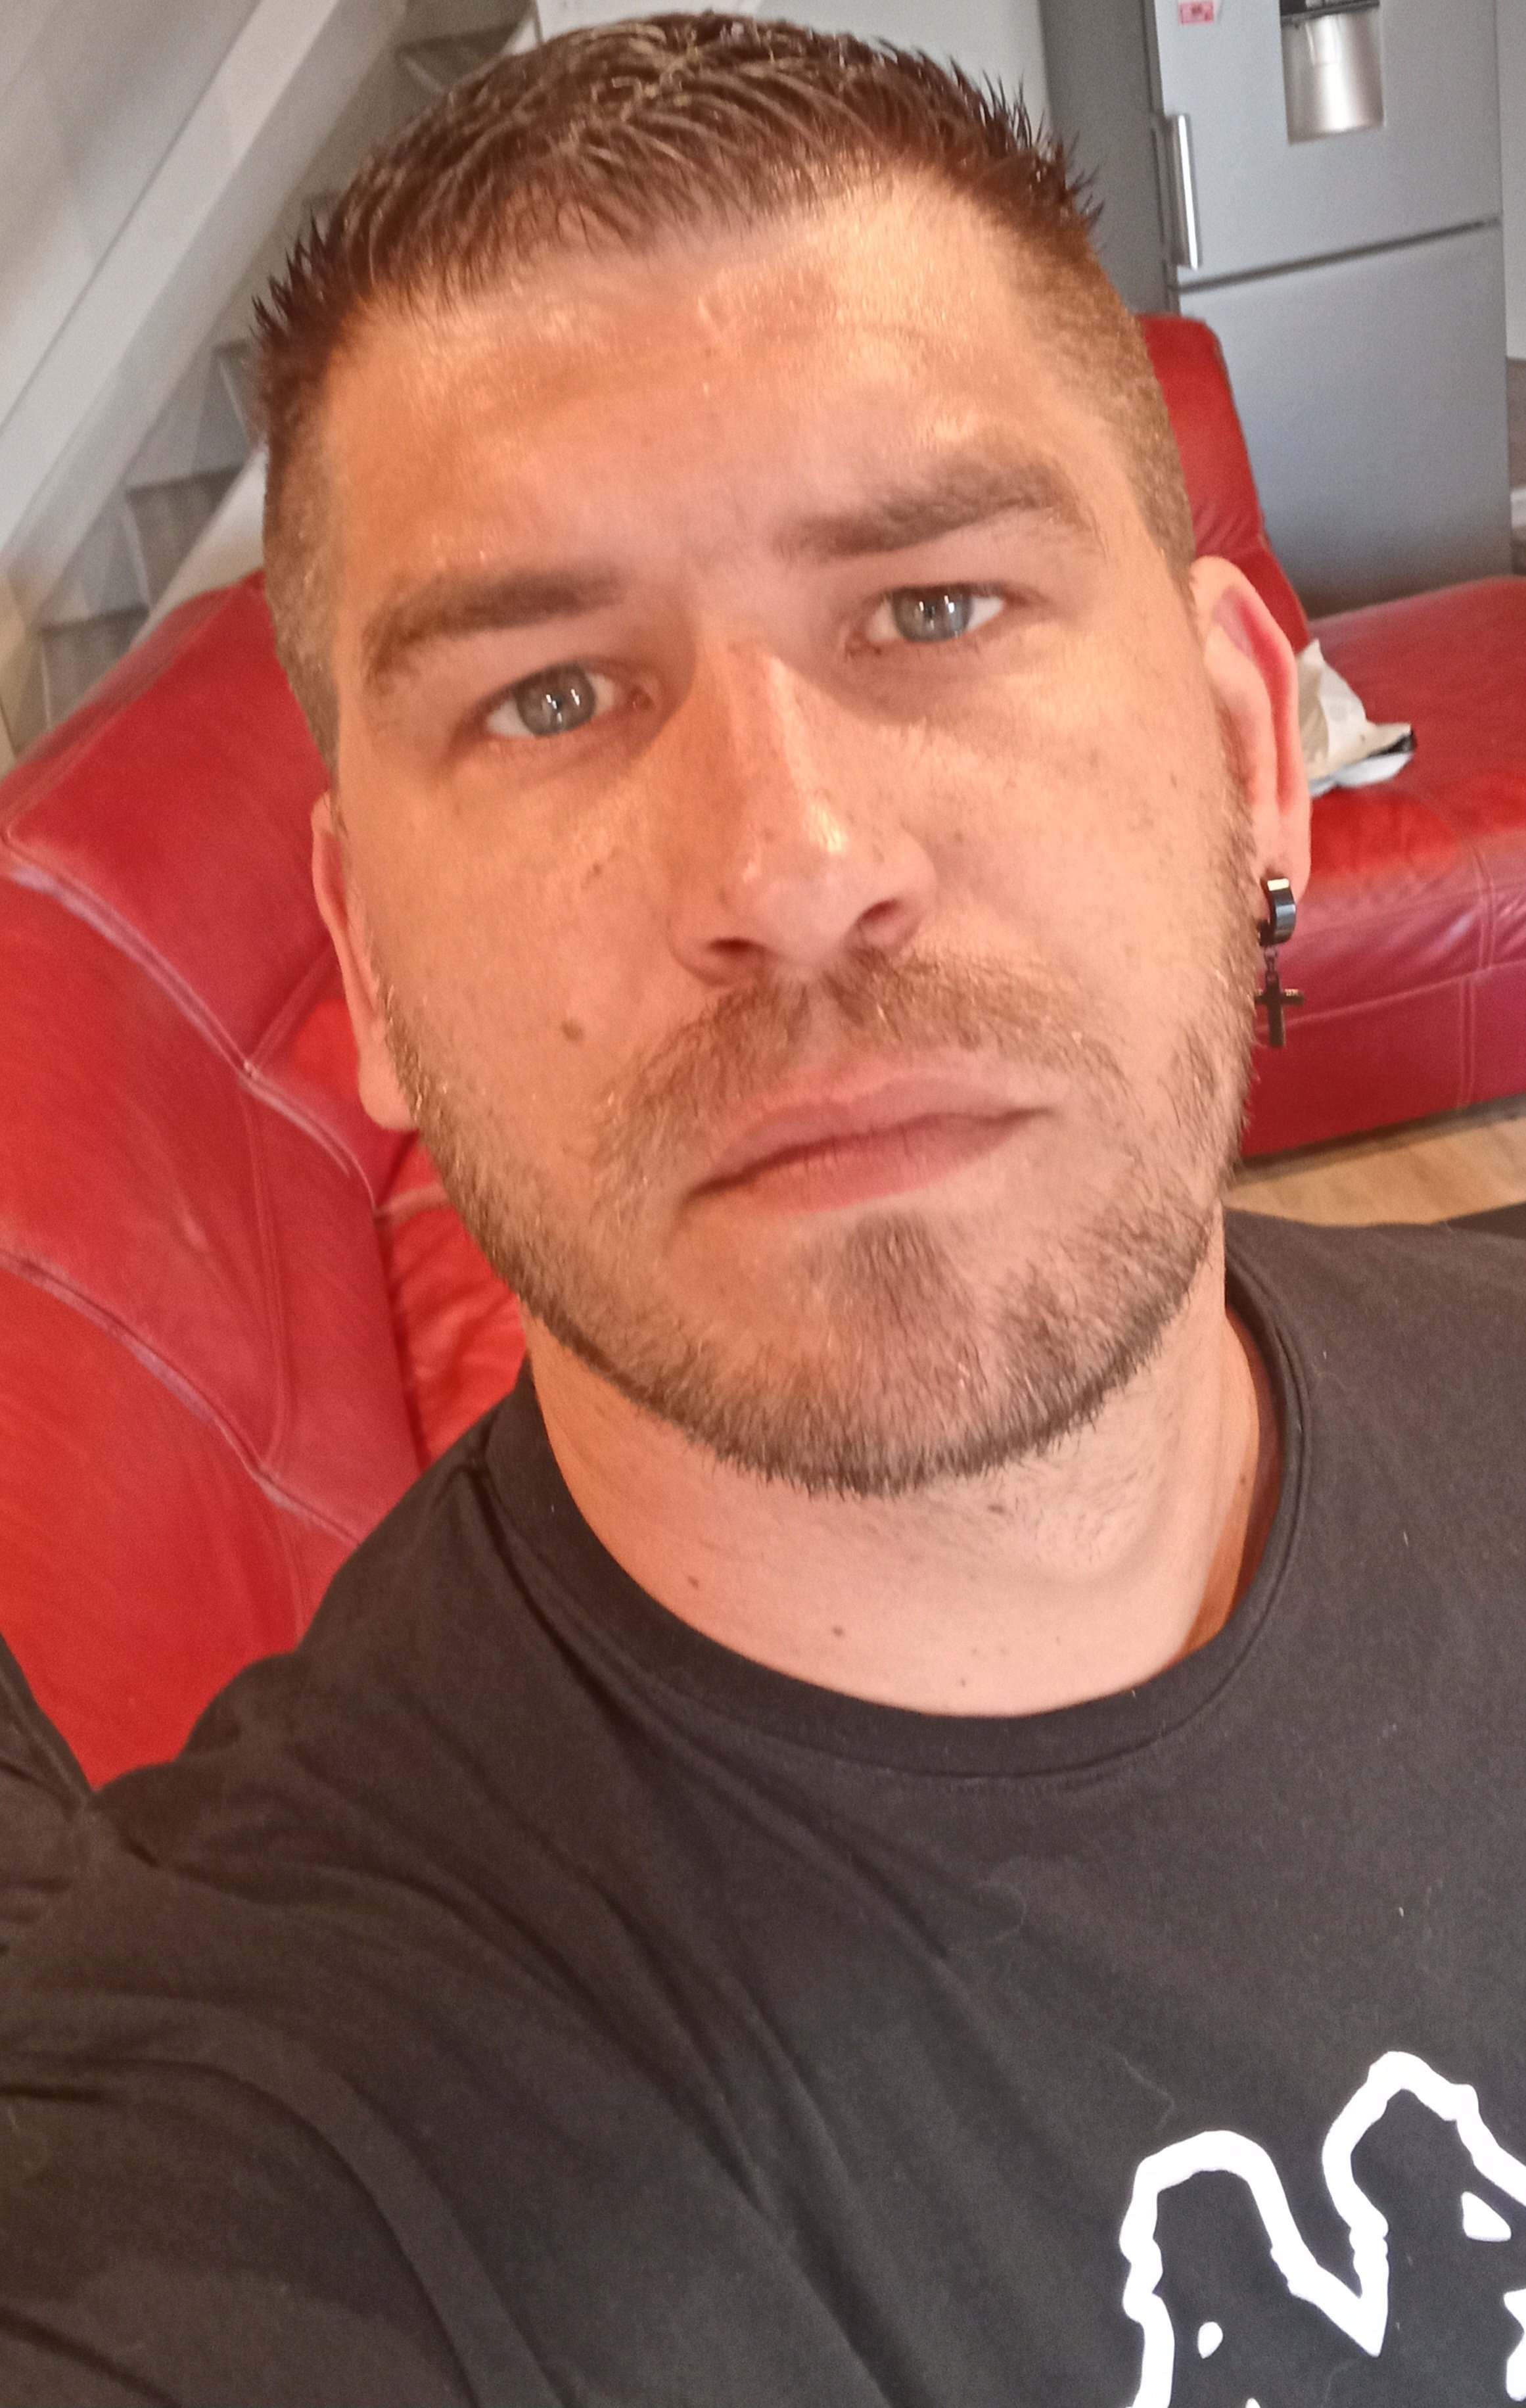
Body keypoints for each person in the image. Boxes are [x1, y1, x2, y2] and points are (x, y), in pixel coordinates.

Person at [0, 14, 1523, 2404]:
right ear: (370, 966)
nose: (795, 868)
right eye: (546, 695)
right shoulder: (272, 2161)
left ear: (1251, 753)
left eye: (932, 607)